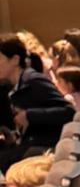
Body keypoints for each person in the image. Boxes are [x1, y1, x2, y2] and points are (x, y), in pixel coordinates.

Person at [0, 34, 73, 168]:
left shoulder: (32, 80)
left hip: (45, 148)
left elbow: (69, 111)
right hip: (31, 144)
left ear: (15, 60)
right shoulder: (12, 86)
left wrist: (29, 115)